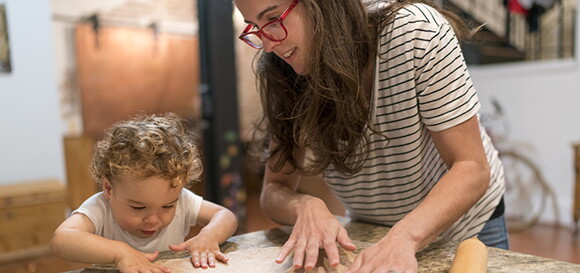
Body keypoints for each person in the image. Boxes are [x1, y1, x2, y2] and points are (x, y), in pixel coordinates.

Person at [234, 0, 507, 272]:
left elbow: (471, 168)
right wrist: (304, 205)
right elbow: (273, 189)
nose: (268, 44)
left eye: (272, 19)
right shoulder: (282, 69)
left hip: (468, 226)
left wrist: (406, 236)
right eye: (255, 28)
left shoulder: (416, 32)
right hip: (374, 230)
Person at [49, 113, 238, 273]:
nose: (153, 220)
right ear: (108, 189)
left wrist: (209, 235)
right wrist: (119, 252)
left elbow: (225, 216)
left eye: (167, 206)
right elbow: (61, 240)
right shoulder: (100, 208)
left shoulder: (180, 200)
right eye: (138, 207)